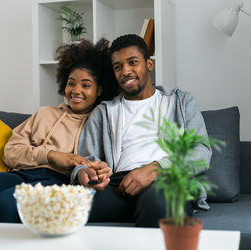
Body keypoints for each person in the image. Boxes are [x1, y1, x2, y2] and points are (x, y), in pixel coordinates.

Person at [0, 38, 118, 222]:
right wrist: (51, 155)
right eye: (71, 83)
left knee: (6, 202)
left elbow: (101, 164)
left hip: (58, 181)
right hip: (21, 173)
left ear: (100, 90)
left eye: (86, 85)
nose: (76, 90)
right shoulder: (45, 113)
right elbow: (10, 152)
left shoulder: (98, 122)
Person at [71, 34, 212, 227]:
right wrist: (85, 171)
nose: (125, 71)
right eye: (118, 67)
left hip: (165, 180)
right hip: (118, 185)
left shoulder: (181, 101)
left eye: (133, 62)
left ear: (149, 65)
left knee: (159, 204)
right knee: (63, 208)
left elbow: (201, 151)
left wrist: (157, 168)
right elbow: (85, 158)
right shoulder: (104, 111)